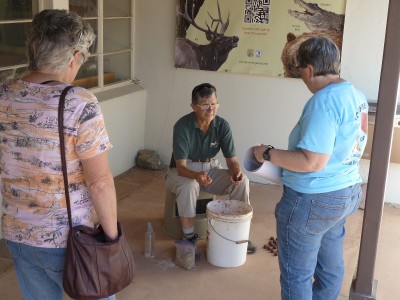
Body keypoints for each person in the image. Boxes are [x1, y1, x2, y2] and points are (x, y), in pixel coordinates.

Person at [0, 10, 118, 300]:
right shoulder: (80, 103)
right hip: (70, 238)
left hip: (17, 232)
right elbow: (100, 182)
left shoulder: (3, 94)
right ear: (74, 56)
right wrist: (112, 237)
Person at [253, 36, 368, 300]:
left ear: (308, 69)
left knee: (297, 276)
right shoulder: (355, 94)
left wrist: (267, 153)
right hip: (345, 193)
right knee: (330, 270)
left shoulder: (324, 101)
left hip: (313, 200)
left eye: (300, 71)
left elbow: (312, 161)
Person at [165, 83, 254, 256]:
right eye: (205, 105)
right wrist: (197, 175)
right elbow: (181, 167)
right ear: (193, 106)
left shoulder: (222, 126)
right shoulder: (182, 126)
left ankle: (239, 233)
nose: (211, 109)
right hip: (181, 171)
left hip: (210, 168)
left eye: (214, 104)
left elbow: (232, 160)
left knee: (242, 183)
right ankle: (189, 237)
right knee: (189, 185)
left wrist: (236, 171)